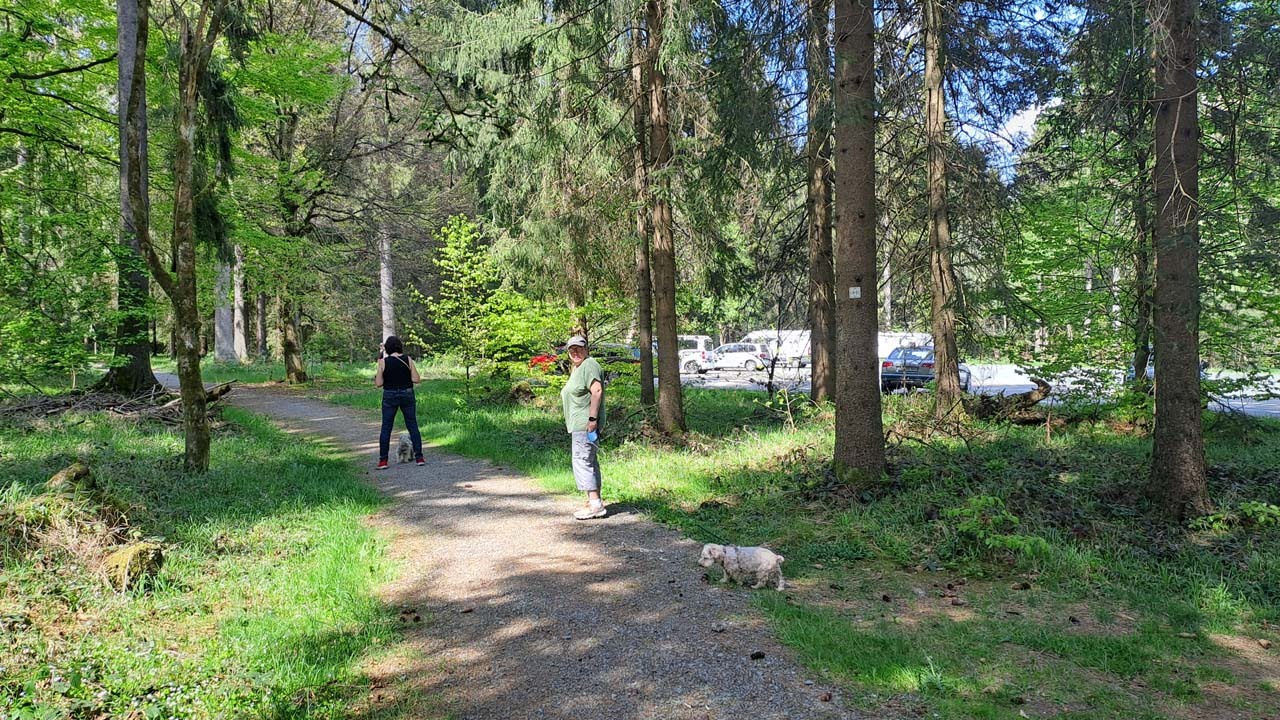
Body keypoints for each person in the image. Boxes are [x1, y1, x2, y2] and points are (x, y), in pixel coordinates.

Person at [560, 335, 607, 519]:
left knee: (583, 461)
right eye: (572, 349)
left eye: (579, 348)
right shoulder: (577, 368)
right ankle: (594, 501)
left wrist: (592, 419)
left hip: (585, 424)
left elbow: (597, 391)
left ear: (586, 349)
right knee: (589, 461)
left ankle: (594, 505)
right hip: (580, 424)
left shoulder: (589, 365)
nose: (575, 352)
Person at [374, 335, 423, 469]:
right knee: (412, 425)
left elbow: (378, 383)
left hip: (390, 395)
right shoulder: (408, 359)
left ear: (387, 348)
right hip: (407, 393)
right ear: (400, 347)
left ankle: (383, 461)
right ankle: (419, 457)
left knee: (386, 428)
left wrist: (380, 368)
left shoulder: (383, 362)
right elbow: (416, 379)